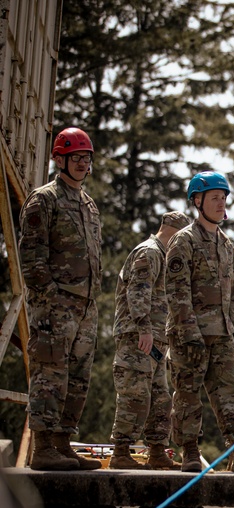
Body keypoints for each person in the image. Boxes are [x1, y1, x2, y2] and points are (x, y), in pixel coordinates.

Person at [165, 171, 234, 473]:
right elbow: (176, 291)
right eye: (214, 198)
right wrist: (188, 331)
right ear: (197, 201)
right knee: (188, 394)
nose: (220, 203)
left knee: (232, 394)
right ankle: (188, 452)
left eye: (223, 198)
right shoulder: (183, 241)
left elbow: (230, 297)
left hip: (224, 334)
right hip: (191, 335)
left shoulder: (226, 244)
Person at [20, 127, 103, 471]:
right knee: (50, 373)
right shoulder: (44, 199)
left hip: (85, 305)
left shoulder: (87, 203)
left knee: (78, 378)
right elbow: (31, 255)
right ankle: (42, 447)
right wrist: (49, 298)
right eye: (76, 158)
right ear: (60, 160)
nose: (83, 164)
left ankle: (63, 443)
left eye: (87, 158)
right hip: (56, 304)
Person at [109, 211, 190, 470]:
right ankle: (121, 450)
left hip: (156, 342)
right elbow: (138, 291)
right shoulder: (150, 252)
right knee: (135, 394)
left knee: (160, 398)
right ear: (173, 232)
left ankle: (157, 451)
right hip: (138, 337)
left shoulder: (162, 256)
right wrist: (143, 327)